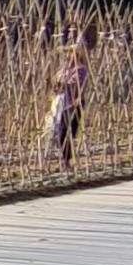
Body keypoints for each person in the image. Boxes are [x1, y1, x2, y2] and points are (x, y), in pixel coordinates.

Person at [46, 28, 94, 169]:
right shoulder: (63, 69)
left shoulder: (80, 69)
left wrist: (62, 84)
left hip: (73, 103)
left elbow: (75, 86)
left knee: (68, 132)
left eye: (70, 52)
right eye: (67, 53)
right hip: (61, 103)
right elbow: (56, 84)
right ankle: (63, 159)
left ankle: (66, 161)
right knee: (59, 131)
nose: (68, 55)